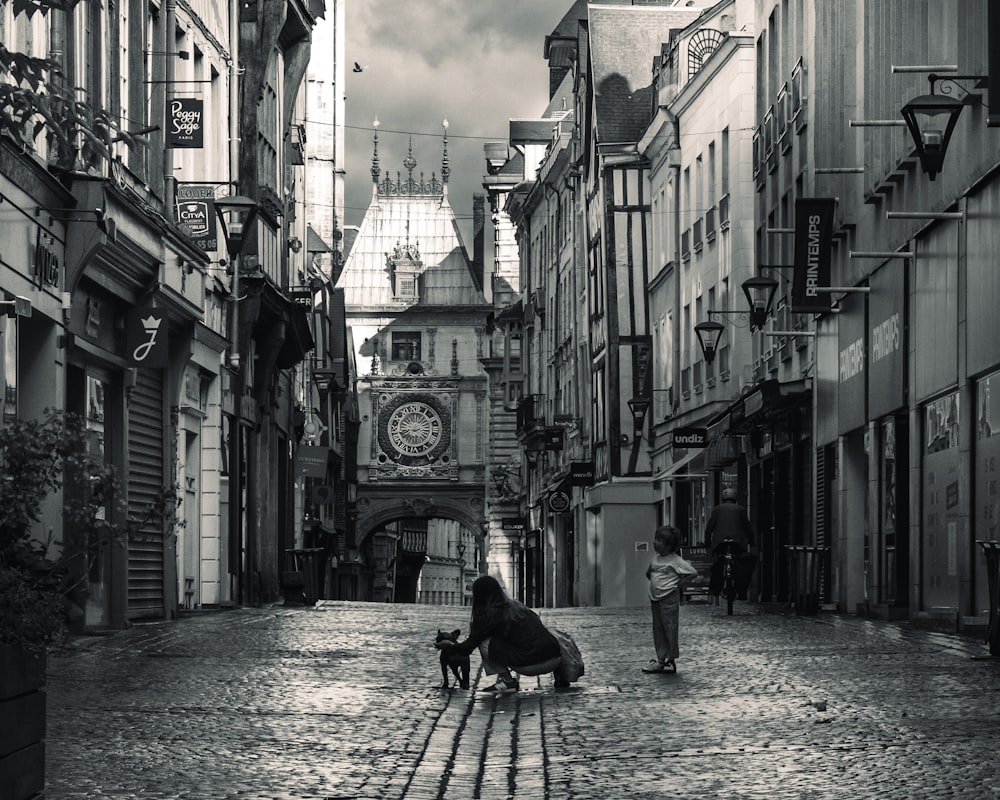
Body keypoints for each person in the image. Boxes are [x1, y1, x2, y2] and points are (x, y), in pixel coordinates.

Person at [436, 575, 563, 692]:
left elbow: (466, 649)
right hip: (555, 660)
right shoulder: (517, 606)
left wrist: (449, 645)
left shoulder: (488, 615)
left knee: (484, 642)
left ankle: (508, 682)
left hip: (531, 665)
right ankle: (561, 676)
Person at [642, 526, 698, 674]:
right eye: (655, 538)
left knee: (670, 627)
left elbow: (692, 572)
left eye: (659, 540)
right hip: (655, 599)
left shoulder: (676, 561)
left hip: (668, 598)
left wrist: (679, 584)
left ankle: (669, 659)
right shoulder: (656, 559)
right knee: (658, 629)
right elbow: (648, 573)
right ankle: (661, 658)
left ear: (668, 545)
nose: (655, 542)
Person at [706, 487, 755, 598]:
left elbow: (709, 527)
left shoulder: (717, 509)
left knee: (718, 563)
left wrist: (707, 542)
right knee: (740, 562)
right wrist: (751, 542)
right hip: (737, 542)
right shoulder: (741, 509)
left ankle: (714, 589)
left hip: (720, 542)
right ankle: (741, 591)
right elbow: (748, 527)